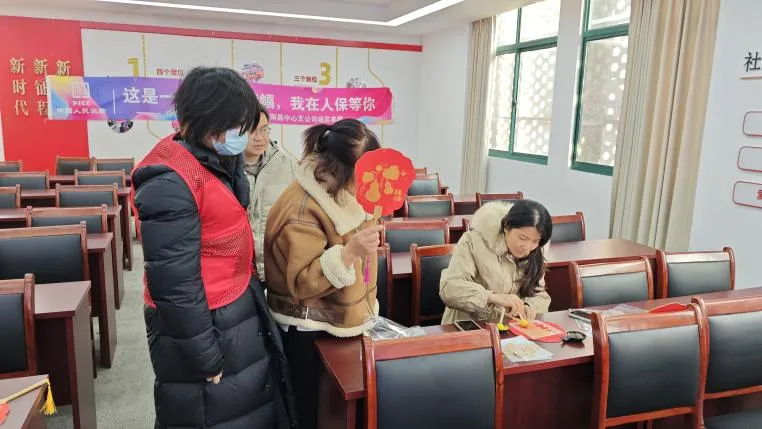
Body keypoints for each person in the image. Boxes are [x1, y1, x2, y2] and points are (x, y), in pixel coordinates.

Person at [131, 66, 296, 429]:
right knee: (210, 412)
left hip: (233, 305)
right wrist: (204, 357)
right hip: (202, 325)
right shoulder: (168, 181)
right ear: (206, 120)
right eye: (235, 125)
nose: (242, 135)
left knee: (246, 408)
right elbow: (174, 284)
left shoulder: (214, 156)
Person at [264, 119, 382, 429]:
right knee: (311, 411)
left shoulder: (339, 191)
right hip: (309, 327)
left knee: (337, 412)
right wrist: (349, 252)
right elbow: (303, 281)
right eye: (366, 171)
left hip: (339, 322)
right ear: (342, 169)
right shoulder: (301, 208)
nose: (370, 179)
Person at [440, 199, 553, 325]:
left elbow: (539, 293)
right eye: (522, 238)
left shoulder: (535, 252)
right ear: (506, 227)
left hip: (510, 329)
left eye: (535, 241)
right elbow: (450, 288)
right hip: (468, 327)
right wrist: (491, 297)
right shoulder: (472, 241)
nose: (526, 247)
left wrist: (529, 306)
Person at [244, 108, 297, 281]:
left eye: (264, 129)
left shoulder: (287, 164)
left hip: (277, 269)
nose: (259, 137)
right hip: (239, 272)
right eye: (251, 131)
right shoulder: (223, 167)